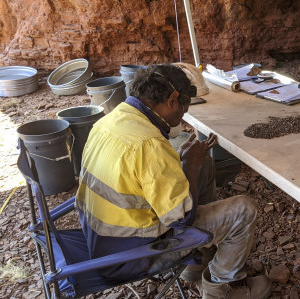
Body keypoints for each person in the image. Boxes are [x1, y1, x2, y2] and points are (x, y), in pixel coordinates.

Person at [75, 64, 271, 299]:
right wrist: (188, 165)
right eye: (184, 107)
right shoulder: (149, 144)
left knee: (204, 165)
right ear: (172, 99)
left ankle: (195, 266)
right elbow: (181, 219)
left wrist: (193, 164)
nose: (182, 115)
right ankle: (222, 289)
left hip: (102, 238)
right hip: (133, 254)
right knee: (244, 209)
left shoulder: (110, 121)